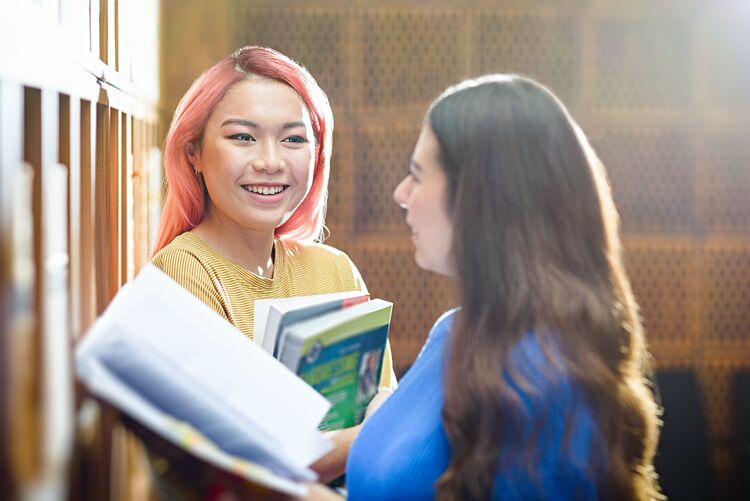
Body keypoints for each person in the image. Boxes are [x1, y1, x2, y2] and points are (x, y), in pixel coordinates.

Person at [307, 74, 662, 500]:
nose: (401, 193)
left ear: (481, 199)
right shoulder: (456, 330)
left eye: (418, 175)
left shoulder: (546, 380)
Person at [147, 46, 396, 491]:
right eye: (243, 137)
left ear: (317, 155)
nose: (271, 161)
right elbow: (245, 467)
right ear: (194, 154)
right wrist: (364, 437)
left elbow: (390, 412)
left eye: (293, 139)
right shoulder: (182, 272)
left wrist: (359, 439)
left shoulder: (335, 269)